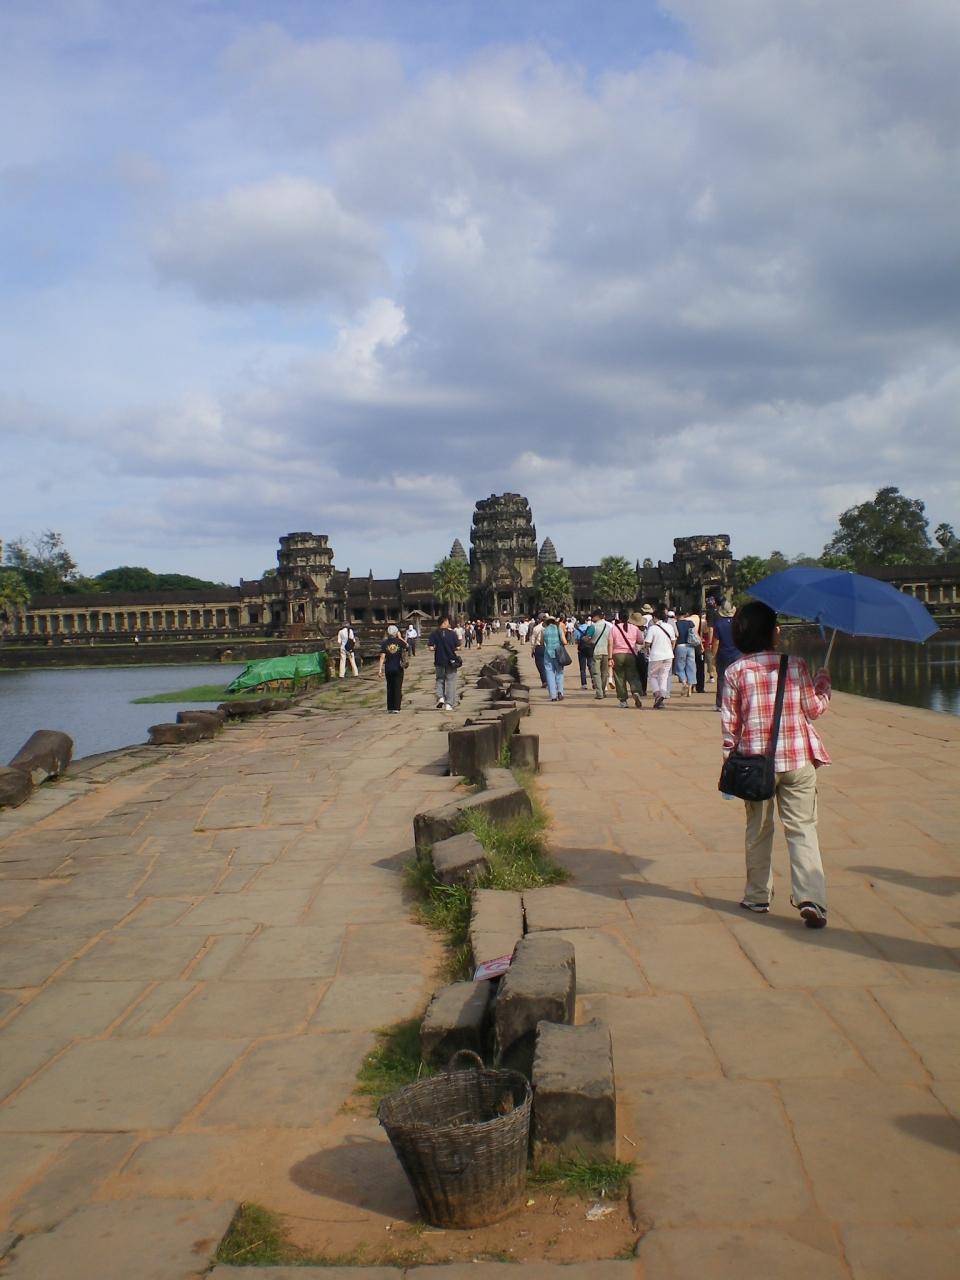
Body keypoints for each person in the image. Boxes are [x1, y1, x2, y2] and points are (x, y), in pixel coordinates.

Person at [722, 600, 832, 928]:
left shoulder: (735, 671)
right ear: (774, 632)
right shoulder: (795, 664)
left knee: (758, 831)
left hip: (755, 764)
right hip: (797, 759)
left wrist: (729, 762)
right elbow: (813, 709)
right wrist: (823, 684)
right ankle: (811, 897)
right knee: (802, 828)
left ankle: (757, 896)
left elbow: (730, 727)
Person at [610, 609, 645, 708]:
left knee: (619, 677)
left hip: (617, 654)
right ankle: (636, 692)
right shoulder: (634, 628)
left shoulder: (614, 628)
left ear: (619, 618)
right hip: (630, 654)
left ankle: (623, 700)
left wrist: (610, 658)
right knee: (633, 675)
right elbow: (641, 641)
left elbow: (610, 643)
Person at [644, 604, 676, 709]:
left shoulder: (653, 628)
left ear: (655, 617)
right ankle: (662, 694)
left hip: (656, 655)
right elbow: (673, 641)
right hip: (668, 655)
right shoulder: (670, 627)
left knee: (652, 676)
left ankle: (657, 693)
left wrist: (647, 650)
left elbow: (647, 643)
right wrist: (670, 650)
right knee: (664, 676)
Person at [712, 599, 740, 710]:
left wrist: (714, 655)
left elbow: (716, 642)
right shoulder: (738, 623)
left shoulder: (718, 623)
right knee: (737, 678)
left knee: (722, 678)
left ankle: (720, 703)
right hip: (737, 653)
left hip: (723, 653)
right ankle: (737, 701)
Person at [428, 616, 461, 710]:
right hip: (451, 661)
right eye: (448, 622)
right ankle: (449, 704)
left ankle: (441, 697)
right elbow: (458, 647)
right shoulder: (452, 633)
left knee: (439, 679)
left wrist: (437, 648)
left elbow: (431, 647)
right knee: (451, 682)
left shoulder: (434, 633)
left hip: (439, 660)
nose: (449, 623)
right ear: (445, 622)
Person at [378, 624, 409, 713]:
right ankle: (396, 707)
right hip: (398, 667)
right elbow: (407, 646)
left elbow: (382, 657)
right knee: (397, 687)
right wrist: (400, 637)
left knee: (390, 687)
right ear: (396, 632)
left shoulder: (385, 643)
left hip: (388, 668)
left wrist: (380, 669)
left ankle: (390, 707)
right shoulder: (400, 642)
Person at [541, 613, 568, 702]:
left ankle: (553, 696)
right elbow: (565, 642)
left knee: (549, 673)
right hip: (558, 653)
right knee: (559, 672)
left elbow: (541, 643)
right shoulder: (558, 628)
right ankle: (560, 691)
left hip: (547, 653)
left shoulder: (544, 630)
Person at [586, 607, 611, 699]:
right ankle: (603, 691)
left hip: (596, 652)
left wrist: (586, 640)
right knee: (604, 673)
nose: (592, 618)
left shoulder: (593, 627)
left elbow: (587, 638)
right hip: (606, 652)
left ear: (597, 616)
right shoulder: (608, 627)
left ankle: (599, 692)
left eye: (593, 616)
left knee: (596, 673)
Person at [674, 609, 699, 697]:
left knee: (680, 667)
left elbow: (675, 637)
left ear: (676, 615)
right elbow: (695, 634)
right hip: (690, 646)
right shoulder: (690, 623)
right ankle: (690, 689)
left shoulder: (675, 624)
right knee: (691, 667)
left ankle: (684, 683)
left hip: (680, 646)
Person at [573, 615, 593, 689]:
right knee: (591, 666)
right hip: (590, 649)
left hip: (581, 650)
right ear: (585, 621)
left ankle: (584, 684)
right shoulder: (589, 628)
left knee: (582, 668)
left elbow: (576, 641)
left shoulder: (577, 630)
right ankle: (593, 680)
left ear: (579, 622)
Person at [530, 615, 548, 687]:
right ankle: (550, 680)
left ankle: (544, 681)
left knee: (541, 666)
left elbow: (533, 640)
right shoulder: (549, 627)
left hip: (539, 647)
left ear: (539, 620)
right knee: (548, 665)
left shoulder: (536, 628)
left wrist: (532, 650)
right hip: (549, 647)